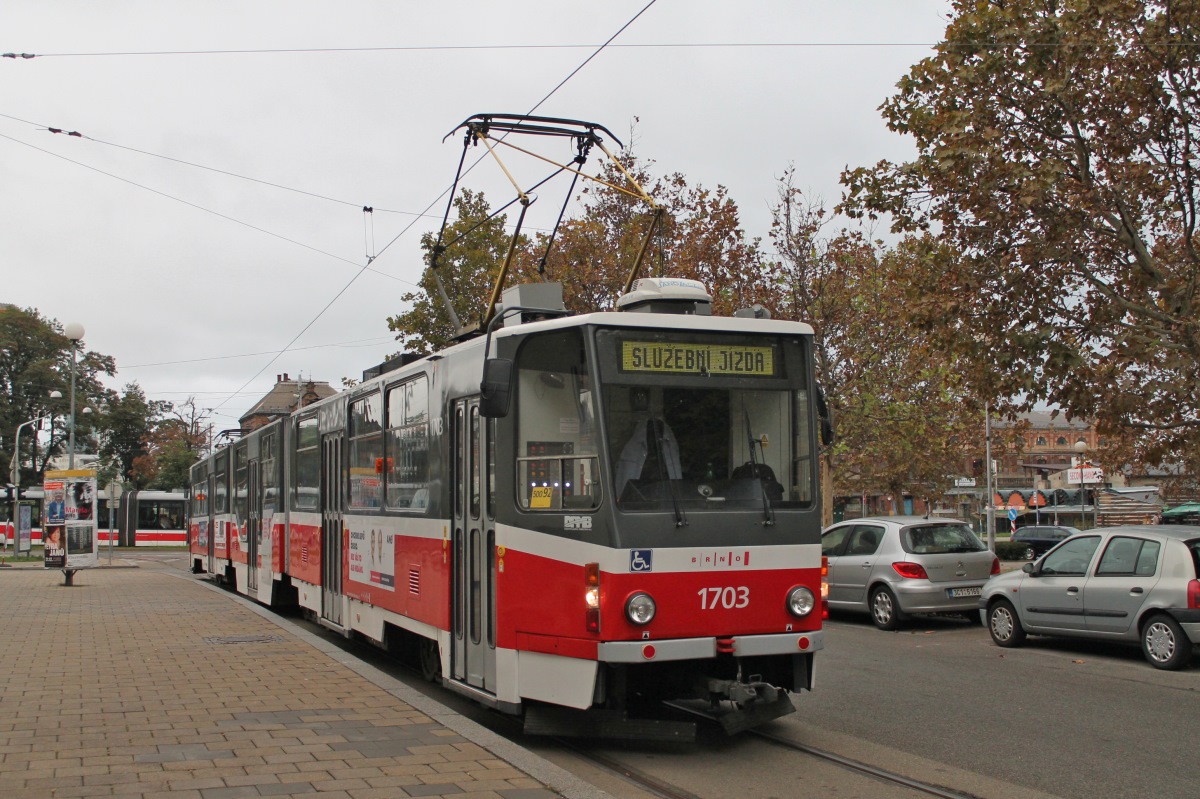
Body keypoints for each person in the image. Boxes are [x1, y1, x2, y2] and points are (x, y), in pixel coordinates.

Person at [615, 387, 682, 496]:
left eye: (643, 396)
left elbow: (675, 474)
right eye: (637, 396)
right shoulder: (631, 443)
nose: (639, 399)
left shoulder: (668, 439)